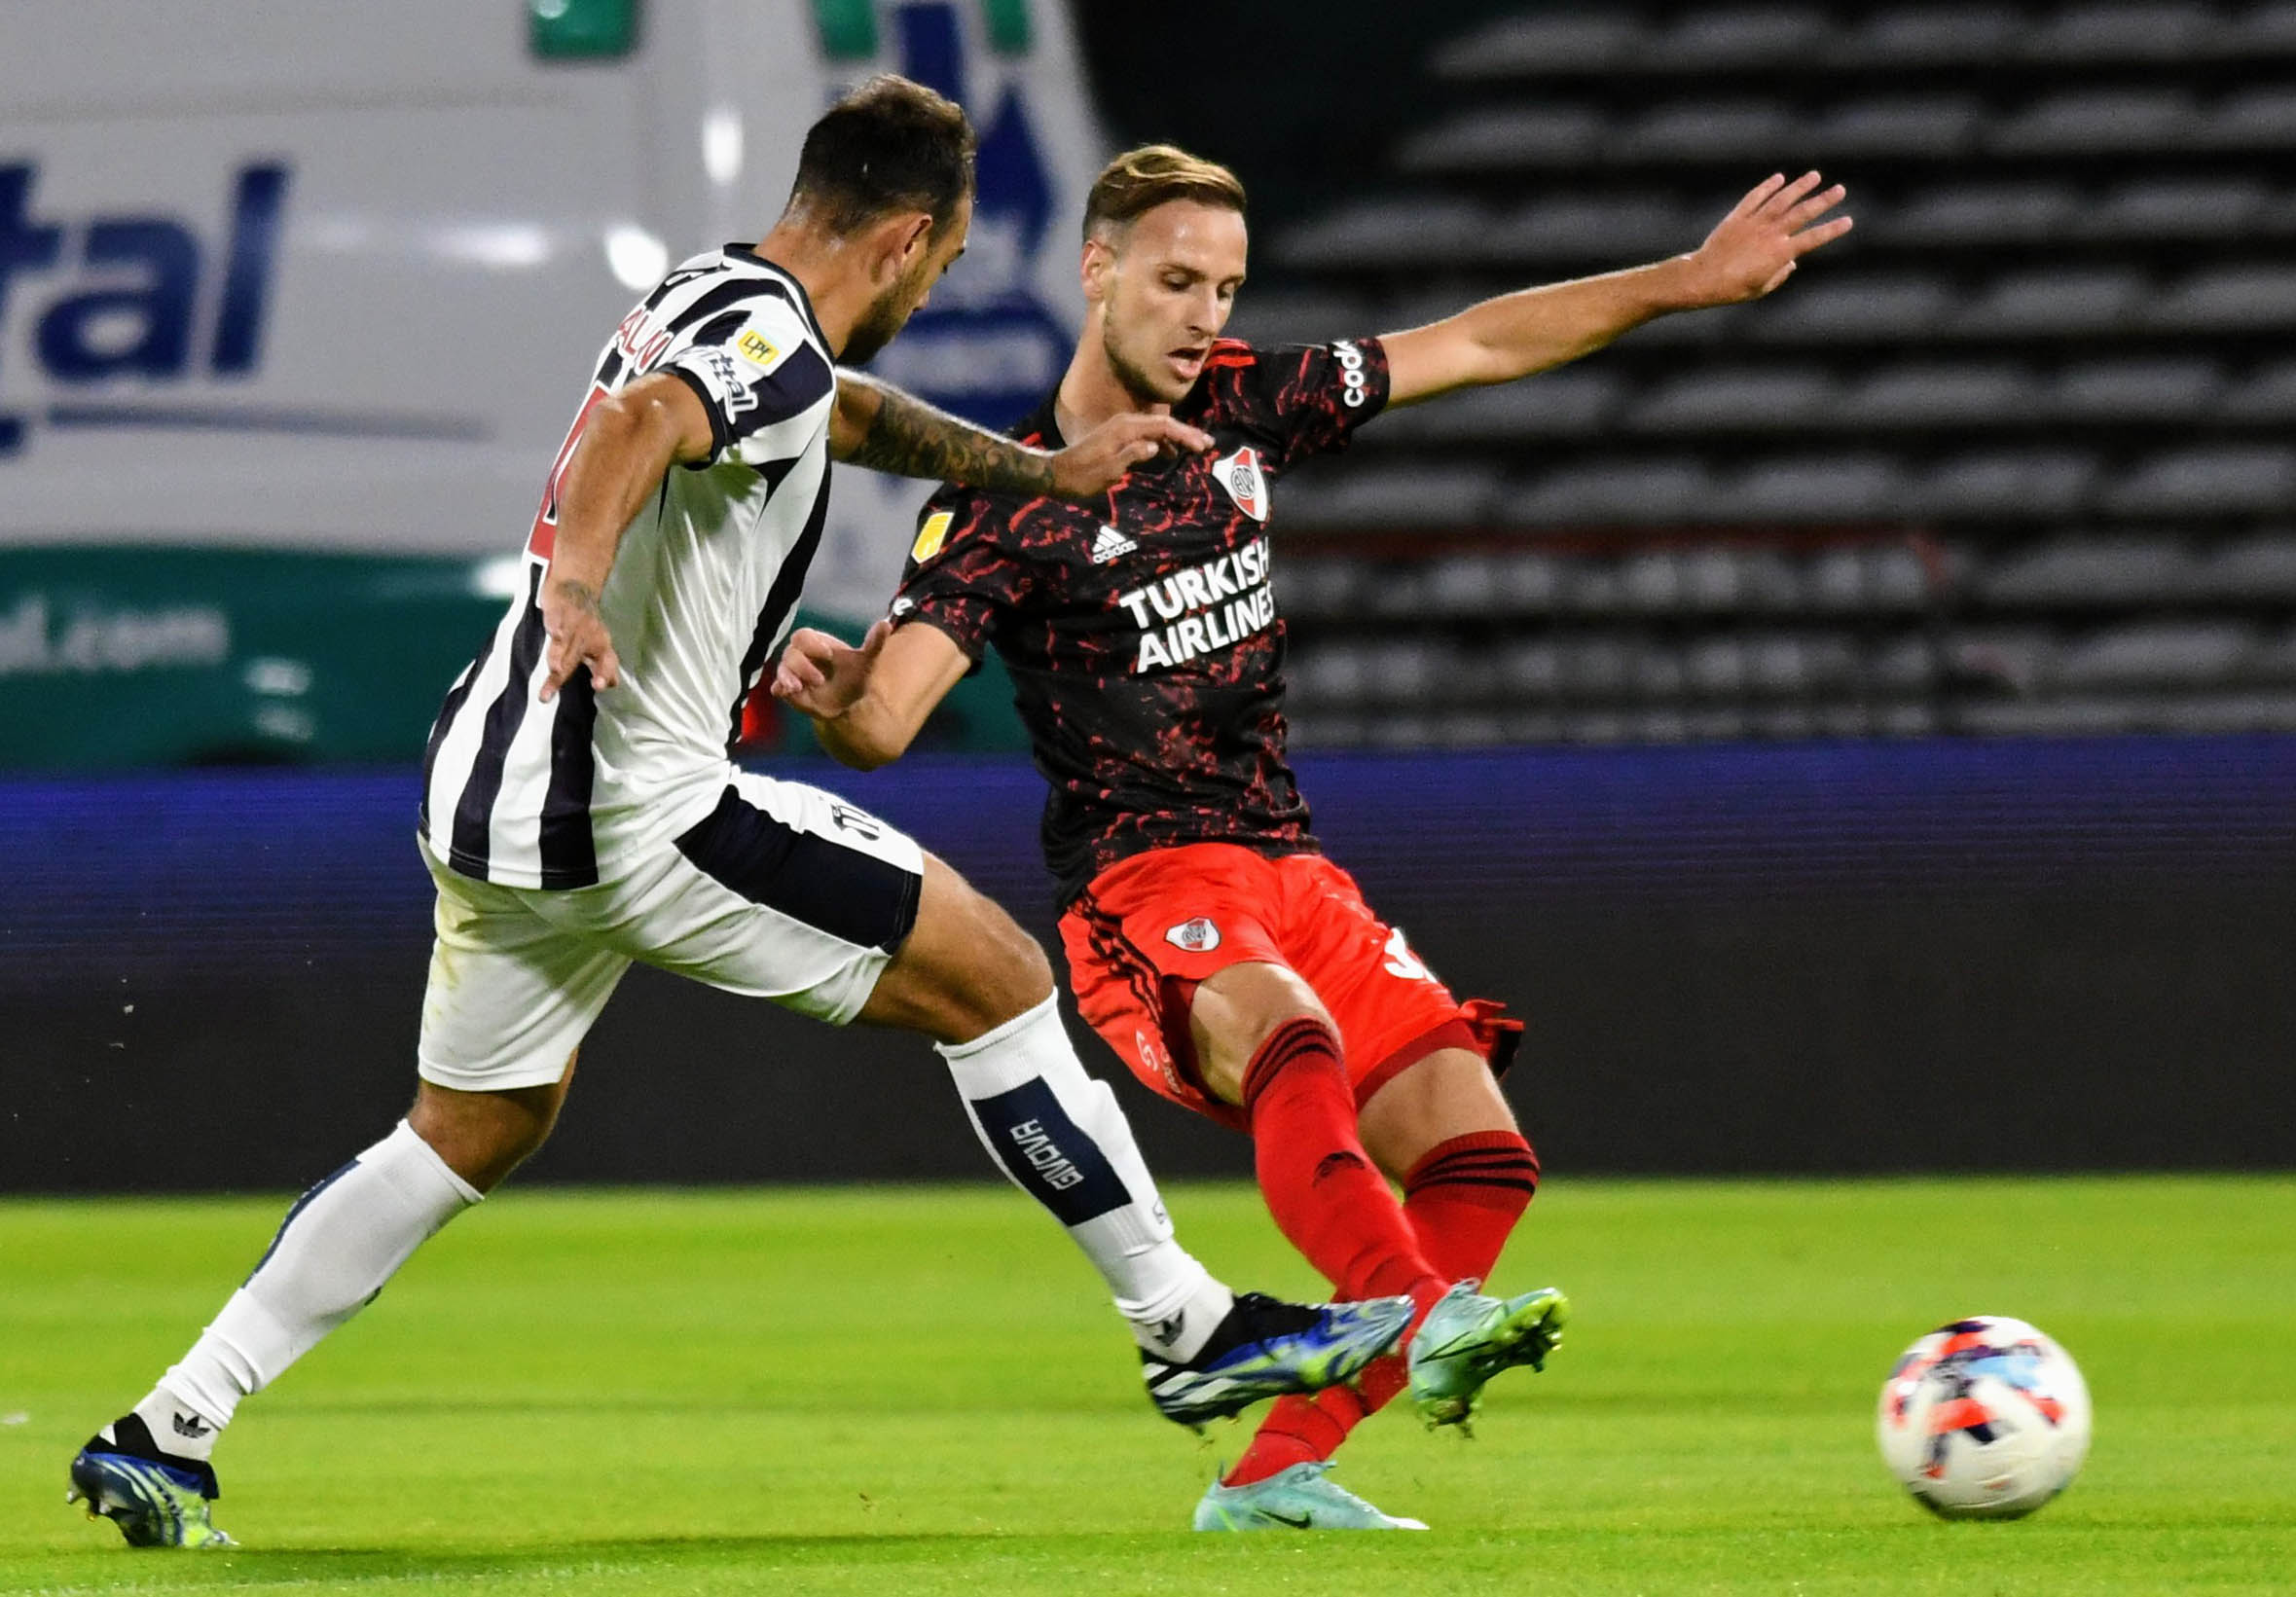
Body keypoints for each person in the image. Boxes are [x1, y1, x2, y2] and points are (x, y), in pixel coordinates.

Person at [66, 84, 1417, 1553]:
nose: (943, 281)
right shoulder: (759, 346)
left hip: (486, 788)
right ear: (906, 239)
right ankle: (1187, 1322)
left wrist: (1028, 472)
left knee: (469, 1125)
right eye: (948, 261)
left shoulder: (711, 292)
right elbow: (643, 433)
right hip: (637, 811)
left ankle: (167, 1427)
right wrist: (582, 587)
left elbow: (827, 410)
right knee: (1001, 981)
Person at [766, 144, 1854, 1532]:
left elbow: (1473, 341)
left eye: (1225, 284)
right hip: (1142, 885)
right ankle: (1417, 1310)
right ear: (1092, 271)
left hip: (1292, 865)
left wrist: (1689, 282)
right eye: (1174, 281)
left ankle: (1274, 1475)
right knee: (1295, 1041)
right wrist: (842, 692)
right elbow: (888, 726)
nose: (1205, 313)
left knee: (1479, 1153)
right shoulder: (1006, 498)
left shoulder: (1249, 405)